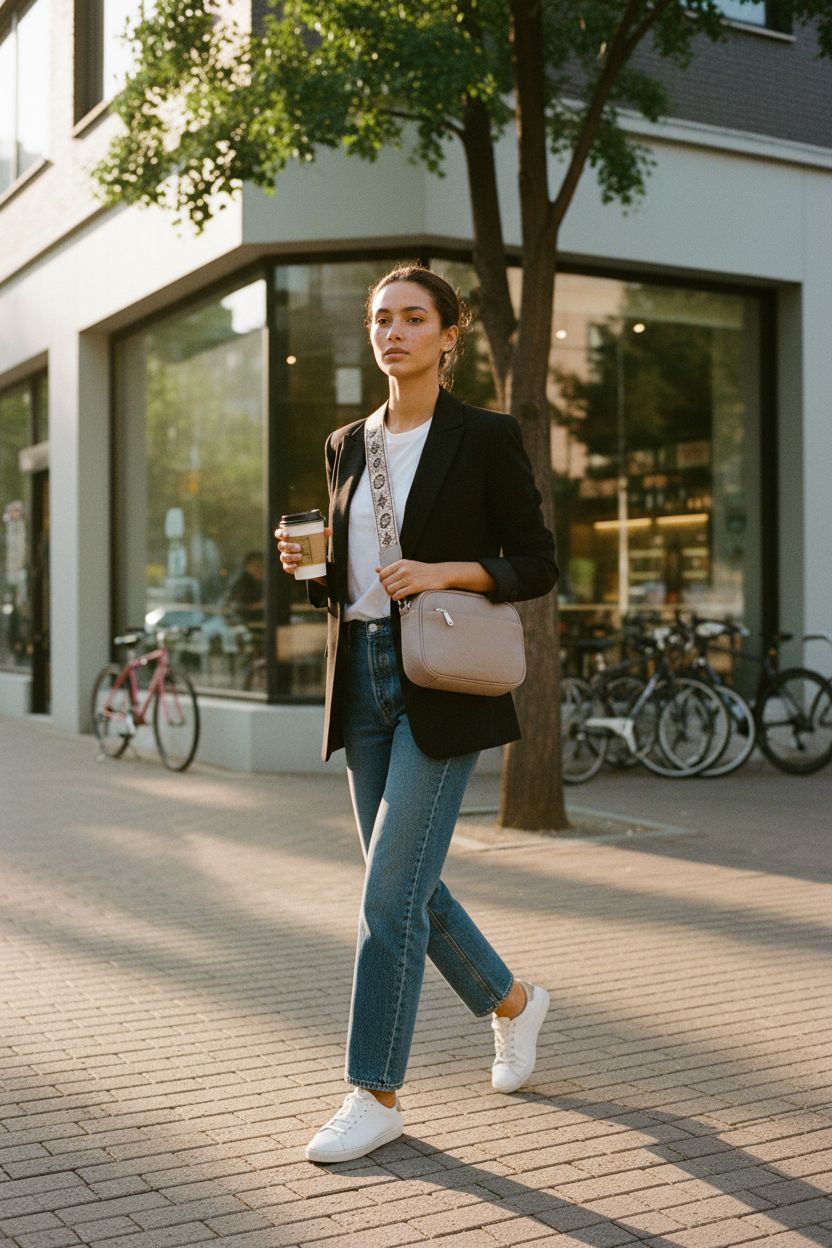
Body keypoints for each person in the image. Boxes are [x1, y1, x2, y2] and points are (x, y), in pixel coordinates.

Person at [276, 265, 558, 1165]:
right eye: (380, 320)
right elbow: (351, 581)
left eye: (412, 319)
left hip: (440, 679)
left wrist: (444, 571)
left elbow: (537, 563)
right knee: (411, 890)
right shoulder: (346, 444)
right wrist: (307, 566)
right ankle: (513, 1003)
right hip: (360, 679)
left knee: (387, 896)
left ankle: (375, 1092)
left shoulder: (484, 435)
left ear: (448, 334)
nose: (392, 333)